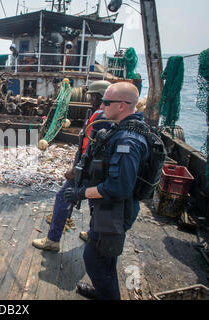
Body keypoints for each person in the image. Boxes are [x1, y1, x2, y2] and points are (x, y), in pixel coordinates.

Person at [64, 82, 149, 300]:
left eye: (106, 102)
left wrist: (81, 193)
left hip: (115, 212)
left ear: (122, 105)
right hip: (108, 209)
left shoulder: (127, 141)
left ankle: (108, 295)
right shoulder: (121, 129)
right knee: (106, 258)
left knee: (94, 259)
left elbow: (118, 188)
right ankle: (104, 293)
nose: (101, 106)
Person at [32, 80, 112, 252]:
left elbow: (94, 150)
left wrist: (76, 170)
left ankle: (53, 240)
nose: (90, 99)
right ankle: (93, 234)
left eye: (92, 96)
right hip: (96, 171)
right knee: (95, 201)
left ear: (99, 97)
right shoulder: (102, 115)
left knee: (63, 197)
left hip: (88, 171)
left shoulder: (101, 118)